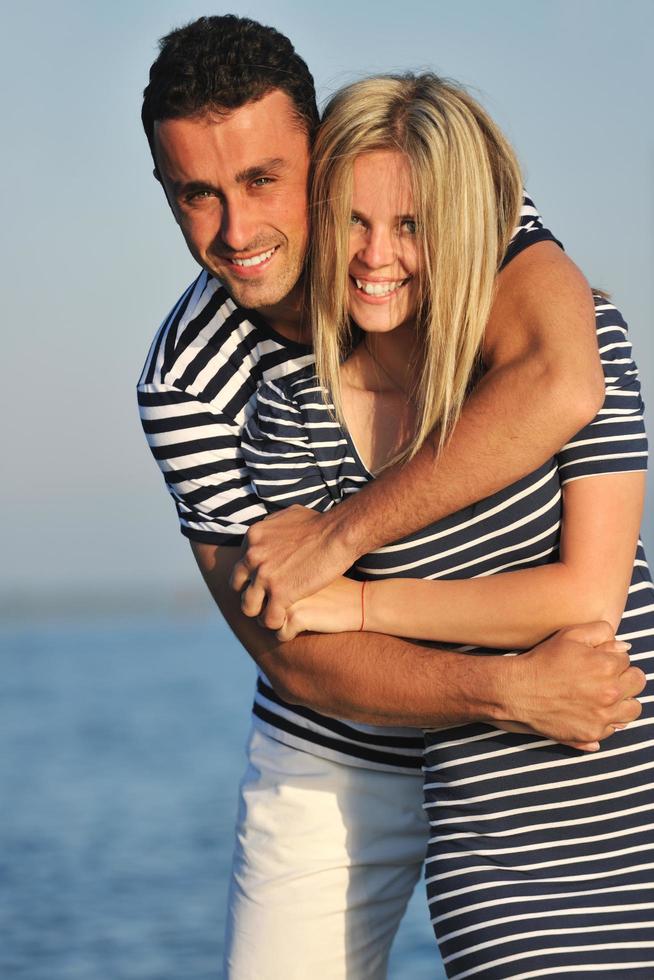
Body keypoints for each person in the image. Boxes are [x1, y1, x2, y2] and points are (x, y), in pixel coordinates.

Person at [137, 15, 644, 978]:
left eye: (261, 180)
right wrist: (501, 691)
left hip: (544, 715)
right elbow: (296, 658)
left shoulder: (434, 206)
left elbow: (566, 380)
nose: (237, 232)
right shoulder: (188, 385)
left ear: (323, 156)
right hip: (339, 744)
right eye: (196, 196)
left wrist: (336, 540)